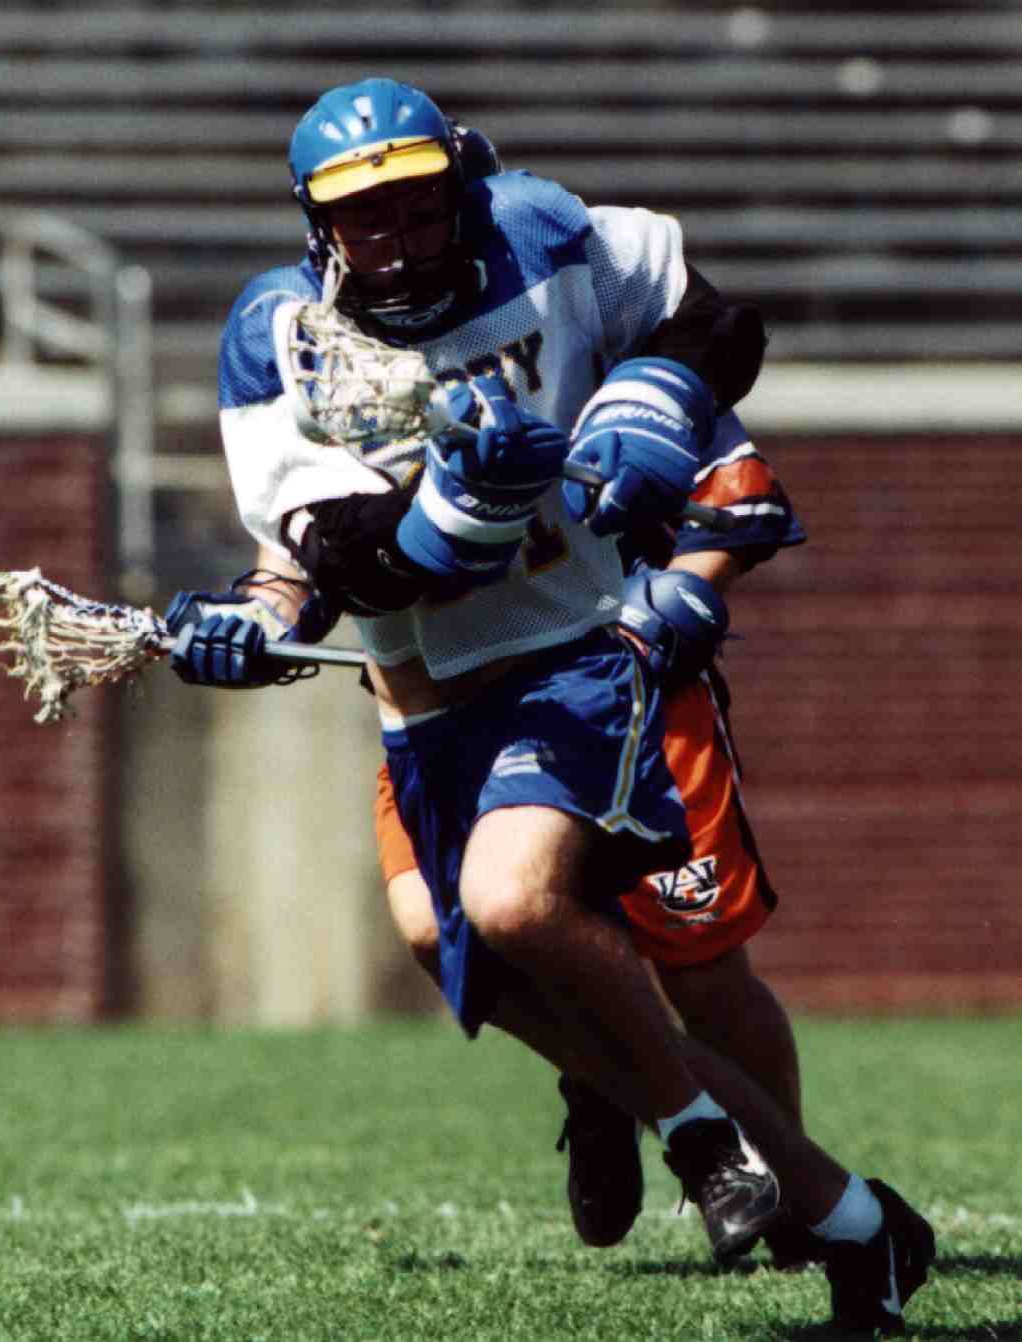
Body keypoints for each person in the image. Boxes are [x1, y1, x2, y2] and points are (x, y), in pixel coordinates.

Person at [164, 79, 934, 1333]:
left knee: (529, 906)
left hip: (578, 656)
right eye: (364, 218)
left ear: (462, 185)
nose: (396, 241)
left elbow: (713, 338)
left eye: (419, 207)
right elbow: (332, 557)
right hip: (422, 704)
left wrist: (655, 405)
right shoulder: (281, 333)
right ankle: (846, 1216)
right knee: (450, 943)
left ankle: (700, 1140)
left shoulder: (549, 236)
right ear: (316, 223)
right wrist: (258, 618)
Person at [375, 403, 821, 1265]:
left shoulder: (604, 343)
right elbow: (298, 540)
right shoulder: (346, 379)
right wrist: (261, 607)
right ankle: (613, 1082)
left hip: (621, 691)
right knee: (458, 930)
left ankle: (800, 1193)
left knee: (701, 964)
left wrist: (686, 585)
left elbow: (742, 493)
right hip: (448, 709)